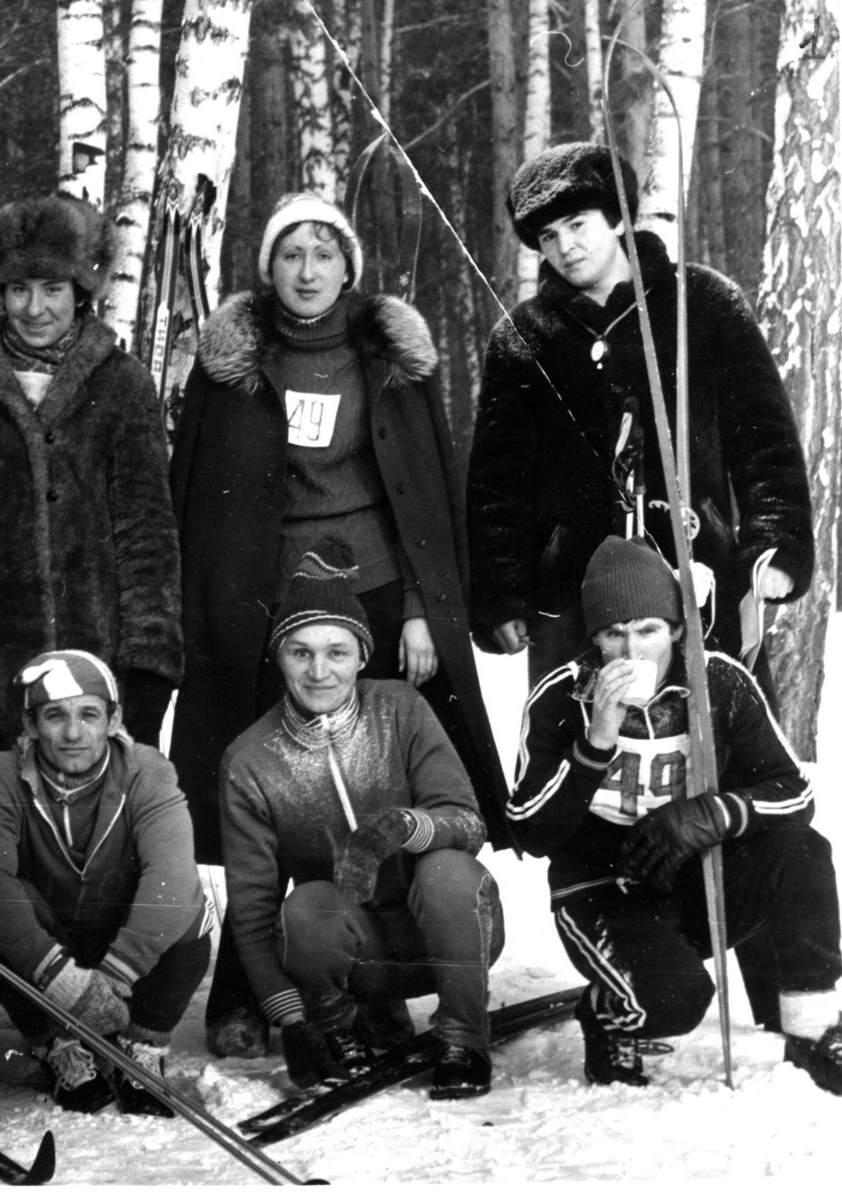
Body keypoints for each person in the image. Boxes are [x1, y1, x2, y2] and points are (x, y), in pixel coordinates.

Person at [169, 191, 506, 1058]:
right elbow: (196, 495)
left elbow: (428, 494)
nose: (308, 271)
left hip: (381, 593)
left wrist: (424, 609)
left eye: (324, 253)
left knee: (381, 777)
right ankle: (247, 988)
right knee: (265, 785)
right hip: (264, 604)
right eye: (291, 254)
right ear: (267, 269)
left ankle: (375, 975)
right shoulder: (232, 365)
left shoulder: (390, 358)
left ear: (348, 267)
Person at [506, 536, 842, 1094]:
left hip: (695, 872)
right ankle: (607, 1013)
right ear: (594, 639)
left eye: (648, 630)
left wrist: (712, 814)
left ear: (677, 630)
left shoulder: (718, 681)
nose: (631, 650)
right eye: (614, 634)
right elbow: (528, 830)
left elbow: (793, 794)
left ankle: (813, 1030)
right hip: (605, 888)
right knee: (676, 1003)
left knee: (802, 850)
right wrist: (595, 742)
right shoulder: (563, 695)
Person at [467, 142, 813, 689]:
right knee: (583, 728)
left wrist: (775, 544)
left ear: (616, 218)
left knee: (716, 723)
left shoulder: (702, 302)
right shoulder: (522, 336)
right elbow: (497, 484)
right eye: (548, 236)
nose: (566, 247)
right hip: (573, 589)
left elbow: (766, 441)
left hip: (697, 567)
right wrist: (502, 591)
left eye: (577, 224)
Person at [220, 541, 503, 1100]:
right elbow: (252, 910)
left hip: (449, 938)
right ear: (279, 657)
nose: (319, 671)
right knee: (306, 907)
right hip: (358, 956)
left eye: (337, 652)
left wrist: (407, 828)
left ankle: (464, 1039)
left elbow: (469, 824)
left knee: (449, 871)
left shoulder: (400, 708)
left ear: (361, 655)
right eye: (300, 652)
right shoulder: (251, 759)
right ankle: (338, 1032)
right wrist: (292, 1019)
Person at [0, 194, 181, 787]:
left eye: (52, 288)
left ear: (81, 289)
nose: (34, 308)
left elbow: (148, 533)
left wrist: (148, 661)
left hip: (96, 663)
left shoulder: (122, 383)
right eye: (19, 289)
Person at [0, 650, 211, 1115]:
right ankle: (58, 1046)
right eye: (55, 715)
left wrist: (115, 976)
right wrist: (59, 978)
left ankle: (143, 1044)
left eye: (89, 715)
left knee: (189, 908)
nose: (73, 733)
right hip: (51, 943)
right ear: (30, 723)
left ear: (113, 719)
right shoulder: (0, 775)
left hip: (123, 941)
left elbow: (173, 877)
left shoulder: (147, 770)